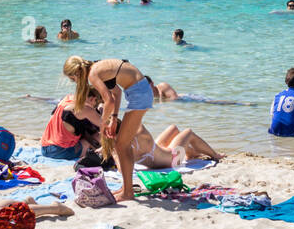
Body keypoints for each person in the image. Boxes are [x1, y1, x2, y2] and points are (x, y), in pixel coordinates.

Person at [63, 56, 154, 202]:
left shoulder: (93, 74)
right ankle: (127, 188)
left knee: (121, 145)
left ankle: (128, 192)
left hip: (139, 94)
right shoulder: (98, 67)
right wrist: (113, 118)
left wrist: (103, 124)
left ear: (76, 73)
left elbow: (109, 100)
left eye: (73, 79)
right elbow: (116, 93)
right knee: (123, 145)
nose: (75, 82)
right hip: (140, 91)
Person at [42, 89, 103, 160]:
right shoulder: (85, 109)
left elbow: (52, 115)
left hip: (44, 148)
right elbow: (107, 127)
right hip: (59, 152)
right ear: (93, 99)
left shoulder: (67, 99)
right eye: (95, 105)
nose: (94, 108)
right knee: (98, 137)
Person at [130, 122, 221, 168]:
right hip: (174, 161)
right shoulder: (140, 132)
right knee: (188, 132)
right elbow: (136, 112)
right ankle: (215, 155)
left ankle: (191, 153)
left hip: (157, 157)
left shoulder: (121, 144)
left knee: (173, 128)